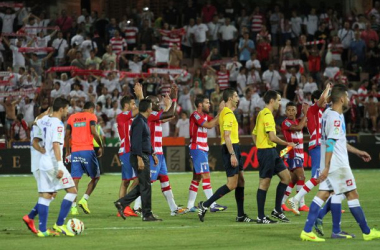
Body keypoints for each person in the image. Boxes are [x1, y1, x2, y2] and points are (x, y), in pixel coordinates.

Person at [300, 84, 380, 242]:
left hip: (329, 163)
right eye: (348, 97)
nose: (349, 99)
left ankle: (307, 231)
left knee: (322, 194)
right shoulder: (335, 118)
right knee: (352, 194)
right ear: (342, 99)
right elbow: (330, 142)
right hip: (338, 165)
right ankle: (367, 232)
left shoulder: (328, 113)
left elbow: (338, 141)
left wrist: (357, 152)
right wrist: (329, 166)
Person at [198, 88, 254, 223]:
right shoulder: (228, 114)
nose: (238, 98)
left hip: (234, 147)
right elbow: (227, 136)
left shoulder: (226, 112)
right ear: (230, 99)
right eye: (235, 96)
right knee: (232, 184)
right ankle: (205, 205)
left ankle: (240, 215)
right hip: (231, 148)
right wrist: (232, 155)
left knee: (241, 181)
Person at [114, 99, 162, 221]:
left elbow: (145, 141)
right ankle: (146, 214)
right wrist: (140, 158)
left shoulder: (142, 121)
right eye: (151, 107)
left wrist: (153, 154)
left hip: (145, 155)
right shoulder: (139, 122)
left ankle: (122, 203)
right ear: (147, 109)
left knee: (143, 184)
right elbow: (136, 142)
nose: (152, 109)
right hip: (140, 157)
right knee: (146, 186)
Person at [288, 83, 331, 215]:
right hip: (317, 145)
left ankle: (332, 205)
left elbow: (326, 101)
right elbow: (323, 99)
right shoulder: (313, 109)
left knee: (327, 176)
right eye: (324, 100)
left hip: (322, 146)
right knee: (317, 177)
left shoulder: (320, 112)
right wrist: (328, 88)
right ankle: (295, 198)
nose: (326, 102)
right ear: (316, 100)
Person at [36, 97, 77, 236]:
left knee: (46, 196)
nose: (67, 111)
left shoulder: (45, 120)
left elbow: (35, 121)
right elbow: (55, 145)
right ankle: (59, 224)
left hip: (43, 162)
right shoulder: (58, 124)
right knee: (72, 191)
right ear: (61, 109)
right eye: (67, 108)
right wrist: (60, 166)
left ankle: (42, 230)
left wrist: (45, 114)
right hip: (54, 163)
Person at [252, 90, 294, 224]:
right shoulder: (267, 115)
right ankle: (260, 216)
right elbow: (272, 137)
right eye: (279, 100)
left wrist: (259, 144)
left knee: (286, 177)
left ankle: (277, 210)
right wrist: (287, 143)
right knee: (264, 183)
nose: (280, 103)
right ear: (272, 101)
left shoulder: (261, 114)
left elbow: (254, 134)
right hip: (267, 152)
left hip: (271, 151)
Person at [146, 86, 186, 216]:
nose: (159, 104)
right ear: (150, 105)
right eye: (157, 102)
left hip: (160, 153)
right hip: (153, 154)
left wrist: (169, 106)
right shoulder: (151, 115)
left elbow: (168, 116)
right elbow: (169, 114)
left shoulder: (154, 116)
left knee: (165, 180)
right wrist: (174, 99)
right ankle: (139, 208)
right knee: (148, 183)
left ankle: (173, 208)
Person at [185, 94, 227, 213]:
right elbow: (209, 125)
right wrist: (220, 111)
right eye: (207, 102)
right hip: (197, 148)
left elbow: (215, 122)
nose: (209, 104)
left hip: (201, 148)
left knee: (197, 178)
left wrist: (222, 112)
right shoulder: (195, 115)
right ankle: (212, 204)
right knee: (206, 176)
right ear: (200, 104)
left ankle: (189, 206)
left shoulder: (204, 116)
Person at [65, 102, 104, 215]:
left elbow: (67, 135)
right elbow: (94, 131)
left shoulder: (72, 117)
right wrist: (100, 145)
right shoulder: (91, 116)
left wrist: (68, 151)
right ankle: (84, 199)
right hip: (87, 150)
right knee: (96, 177)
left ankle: (73, 208)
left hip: (75, 151)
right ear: (91, 109)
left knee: (75, 179)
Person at [116, 84, 144, 217]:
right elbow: (141, 110)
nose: (135, 105)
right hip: (127, 151)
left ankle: (122, 206)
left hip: (128, 151)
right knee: (138, 179)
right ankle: (124, 205)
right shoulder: (122, 116)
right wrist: (140, 95)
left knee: (126, 181)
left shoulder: (130, 118)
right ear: (126, 106)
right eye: (133, 104)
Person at [22, 109, 50, 234]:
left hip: (41, 164)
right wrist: (43, 151)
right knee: (47, 194)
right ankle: (33, 219)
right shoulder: (40, 123)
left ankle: (31, 217)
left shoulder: (39, 122)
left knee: (50, 194)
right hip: (40, 164)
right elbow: (35, 143)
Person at [280, 102, 309, 213]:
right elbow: (298, 128)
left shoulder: (298, 121)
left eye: (293, 110)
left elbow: (308, 123)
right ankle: (301, 204)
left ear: (297, 111)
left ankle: (281, 203)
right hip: (292, 153)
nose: (291, 112)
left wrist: (308, 112)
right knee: (301, 177)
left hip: (299, 154)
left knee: (293, 179)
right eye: (289, 110)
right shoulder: (286, 123)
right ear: (285, 112)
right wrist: (305, 114)